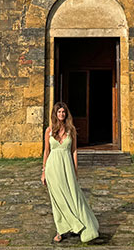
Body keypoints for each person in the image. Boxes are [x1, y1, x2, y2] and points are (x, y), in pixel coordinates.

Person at [41, 101, 99, 243]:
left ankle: (80, 224)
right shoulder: (49, 131)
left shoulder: (71, 130)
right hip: (52, 168)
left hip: (67, 167)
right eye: (59, 112)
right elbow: (46, 151)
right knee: (57, 200)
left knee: (73, 196)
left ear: (66, 114)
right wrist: (43, 171)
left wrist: (75, 170)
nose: (61, 114)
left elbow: (74, 151)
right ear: (55, 114)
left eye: (63, 112)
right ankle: (60, 230)